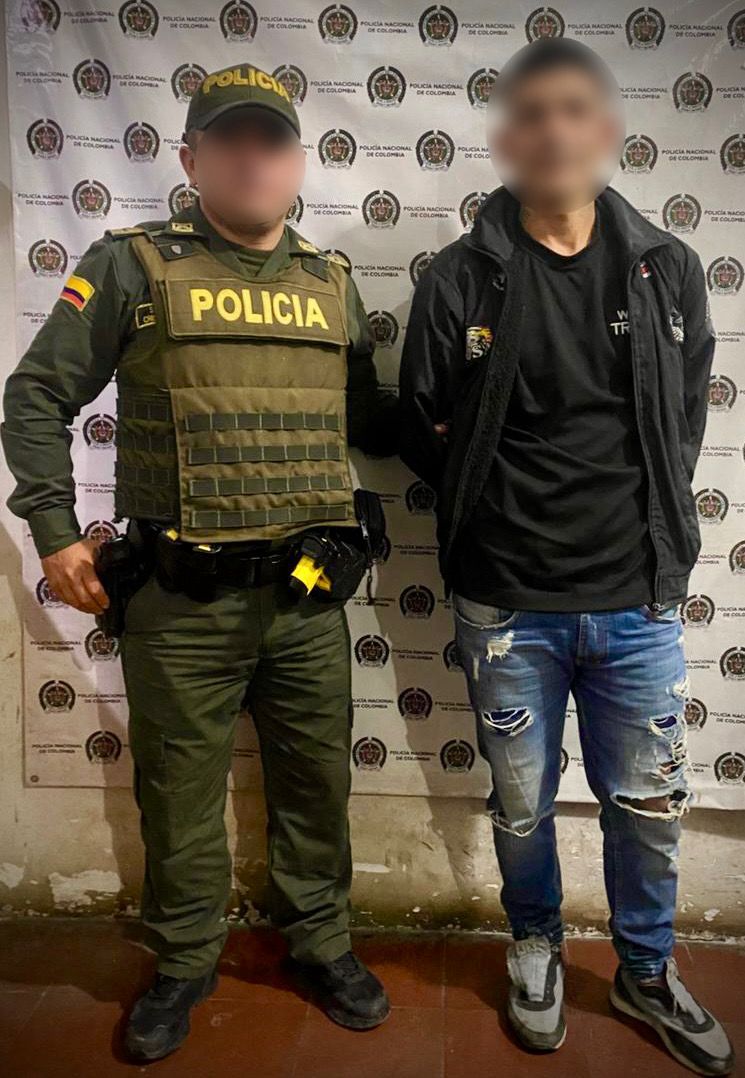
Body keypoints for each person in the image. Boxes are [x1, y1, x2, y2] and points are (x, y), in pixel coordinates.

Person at [2, 63, 398, 1062]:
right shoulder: (132, 267)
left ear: (297, 163)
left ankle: (320, 940)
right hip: (181, 605)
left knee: (316, 785)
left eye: (271, 141)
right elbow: (36, 396)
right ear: (190, 159)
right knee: (179, 794)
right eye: (229, 140)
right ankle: (183, 961)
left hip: (306, 600)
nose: (252, 158)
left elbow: (363, 416)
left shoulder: (332, 283)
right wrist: (54, 527)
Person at [398, 38, 733, 1076]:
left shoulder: (667, 268)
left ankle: (645, 970)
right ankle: (534, 943)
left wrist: (646, 535)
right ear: (507, 135)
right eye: (530, 112)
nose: (552, 131)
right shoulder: (459, 277)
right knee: (520, 803)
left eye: (573, 109)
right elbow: (422, 419)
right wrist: (494, 508)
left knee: (649, 808)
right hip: (506, 607)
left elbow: (681, 420)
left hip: (637, 601)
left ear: (605, 128)